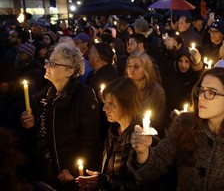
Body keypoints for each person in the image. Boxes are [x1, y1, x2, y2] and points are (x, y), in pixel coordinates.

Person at [129, 67, 224, 190]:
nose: (201, 97)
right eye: (201, 90)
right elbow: (153, 167)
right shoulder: (184, 124)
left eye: (211, 93)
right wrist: (142, 152)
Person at [20, 43, 101, 191]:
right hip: (42, 168)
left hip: (63, 172)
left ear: (69, 71)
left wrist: (73, 170)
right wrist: (29, 125)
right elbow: (40, 132)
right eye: (48, 62)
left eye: (53, 64)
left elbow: (90, 139)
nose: (47, 66)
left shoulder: (83, 96)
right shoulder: (45, 95)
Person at [76, 77, 153, 190]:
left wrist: (105, 182)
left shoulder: (141, 138)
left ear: (128, 104)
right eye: (105, 102)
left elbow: (141, 185)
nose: (104, 109)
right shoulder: (113, 131)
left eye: (111, 104)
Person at [125, 52, 166, 137]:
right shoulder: (124, 86)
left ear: (146, 69)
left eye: (136, 67)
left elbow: (157, 122)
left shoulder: (156, 91)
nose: (131, 69)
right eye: (129, 66)